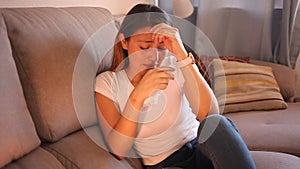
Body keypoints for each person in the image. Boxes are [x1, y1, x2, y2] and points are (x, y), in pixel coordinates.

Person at [95, 3, 256, 169]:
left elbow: (210, 116)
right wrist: (138, 97)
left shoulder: (175, 65)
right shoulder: (107, 83)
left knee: (218, 123)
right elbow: (118, 150)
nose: (154, 57)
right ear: (124, 42)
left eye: (161, 48)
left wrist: (181, 54)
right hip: (165, 164)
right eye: (144, 47)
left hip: (202, 150)